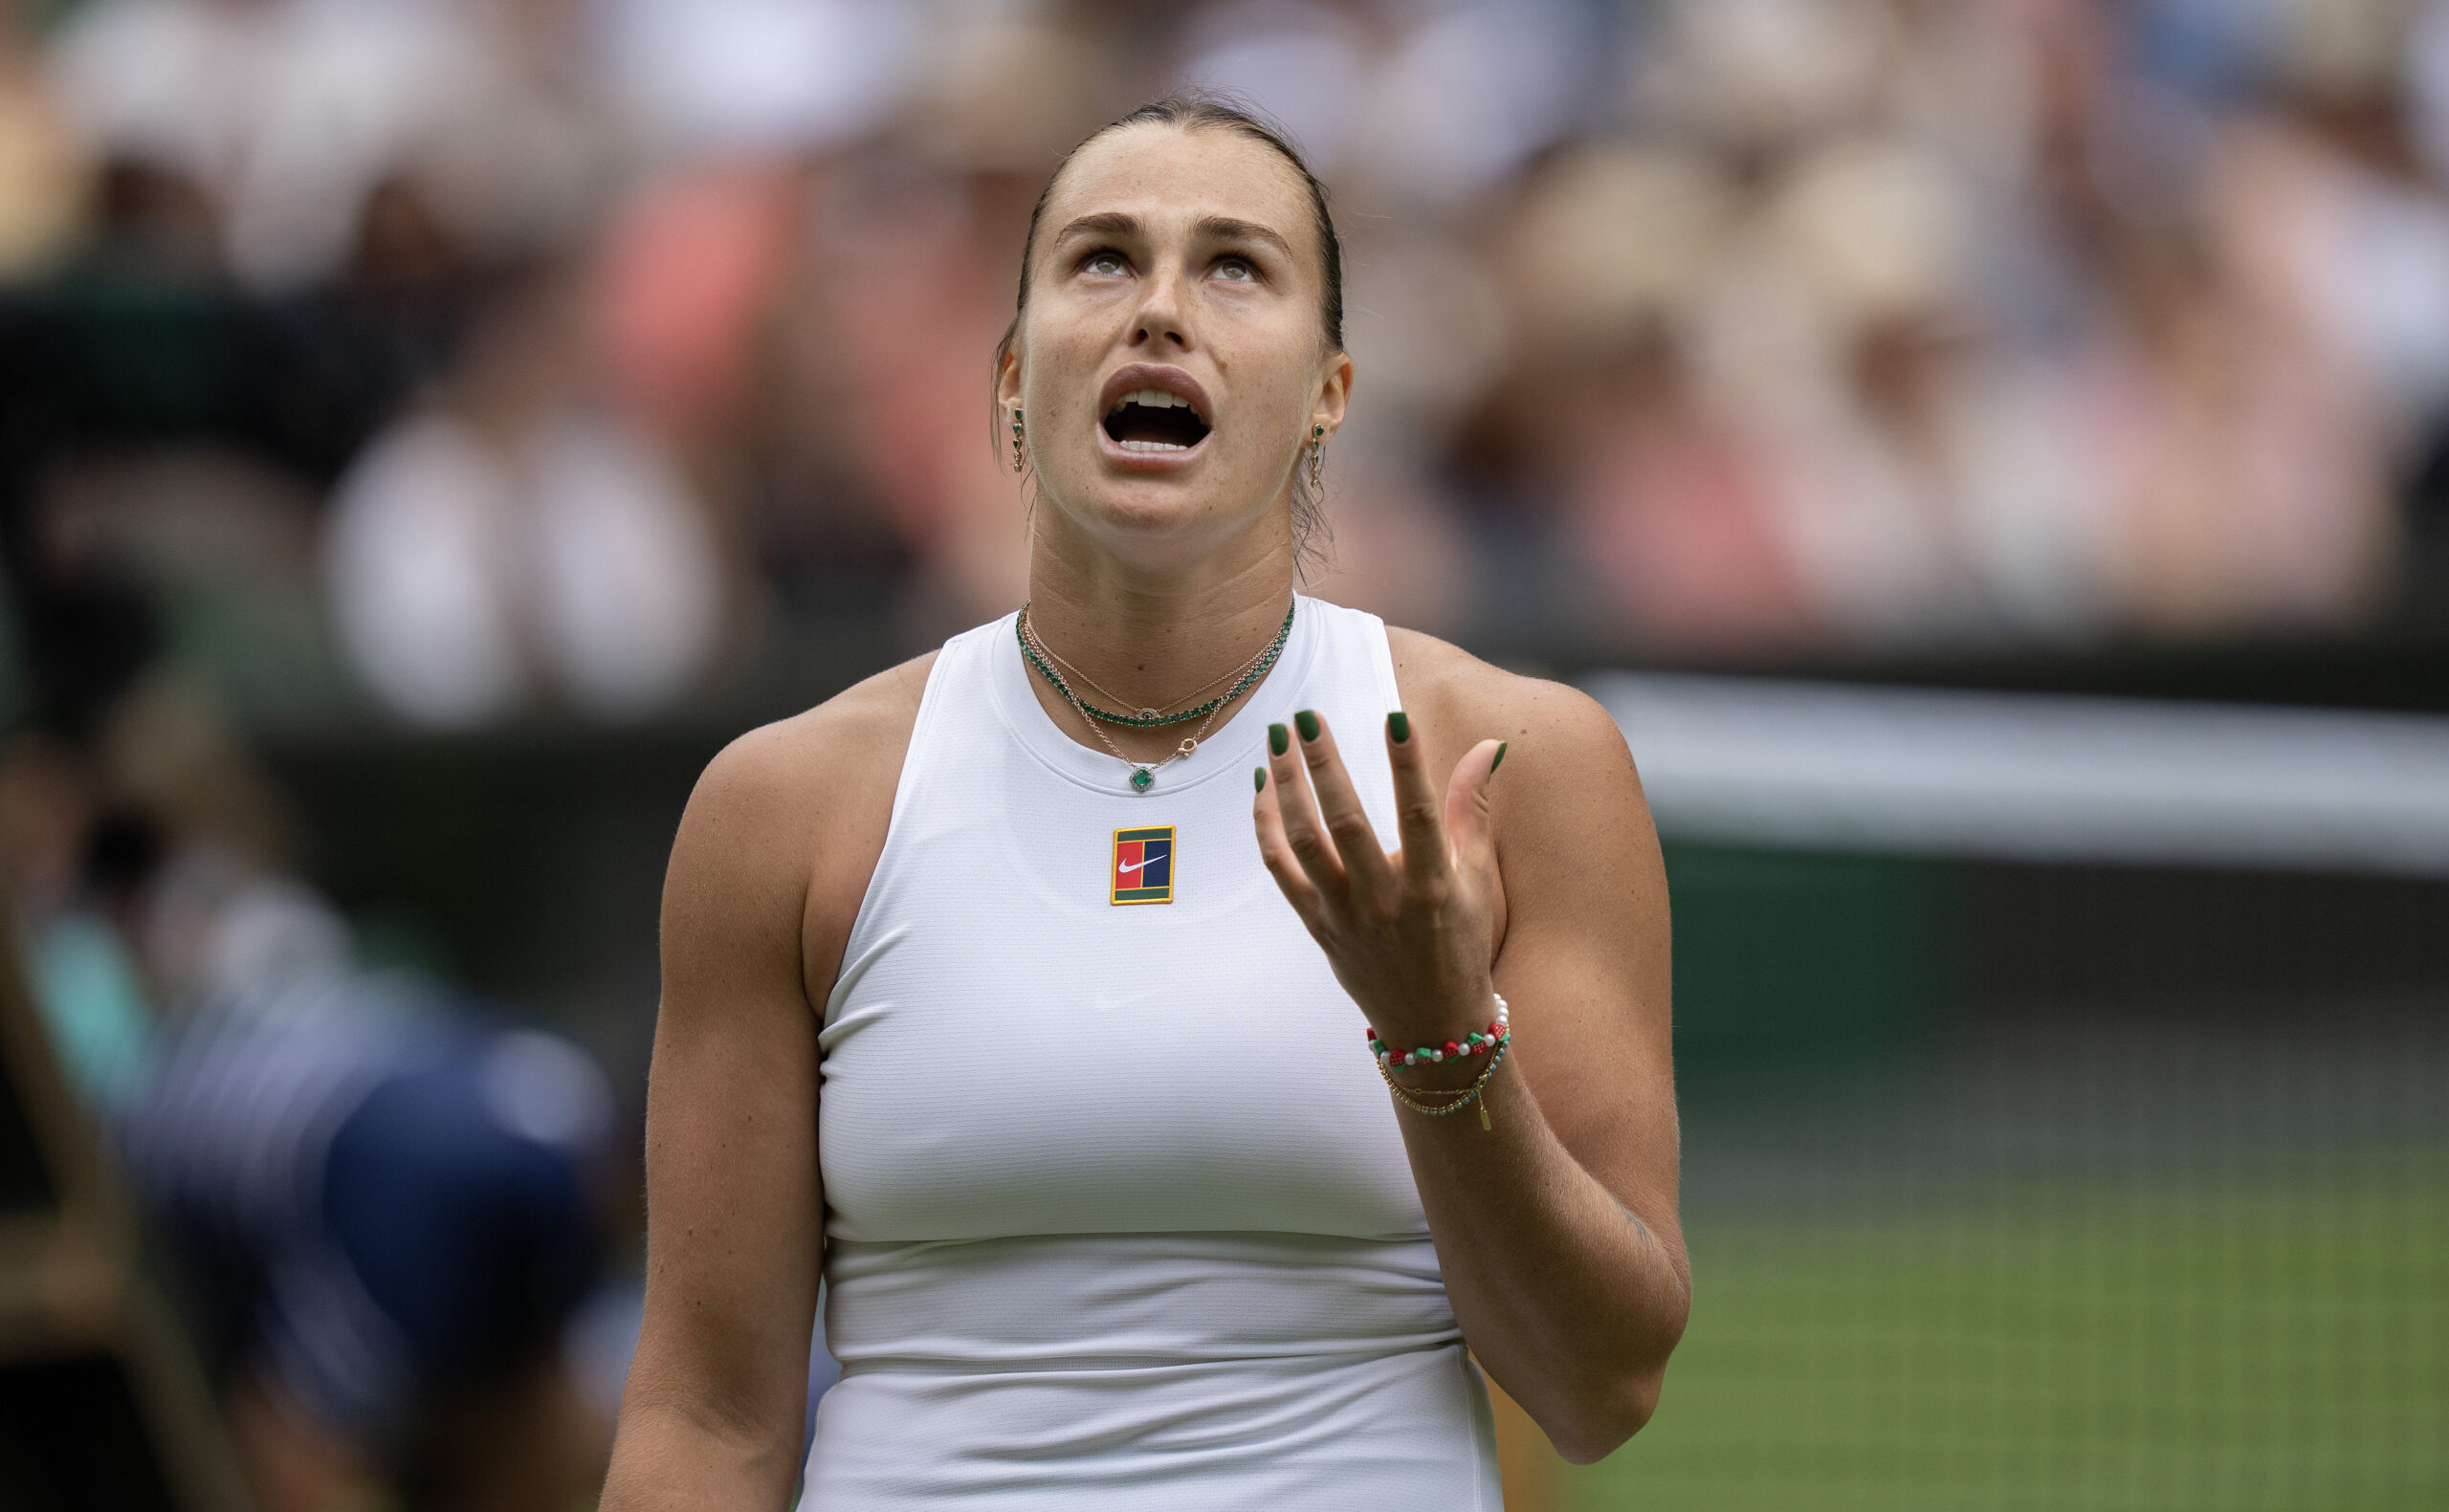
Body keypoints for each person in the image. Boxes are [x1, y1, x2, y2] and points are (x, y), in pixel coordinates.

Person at [602, 96, 1688, 1510]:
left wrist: (1437, 1034)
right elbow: (705, 1418)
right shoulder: (784, 808)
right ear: (1008, 373)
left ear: (1329, 389)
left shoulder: (1516, 764)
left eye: (1237, 266)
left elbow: (1599, 1388)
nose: (1161, 307)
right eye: (1102, 259)